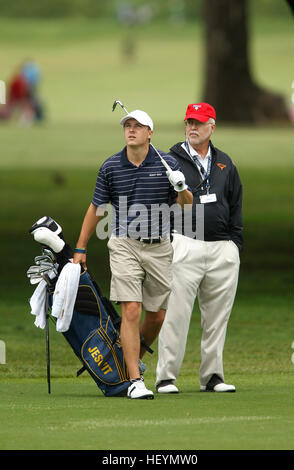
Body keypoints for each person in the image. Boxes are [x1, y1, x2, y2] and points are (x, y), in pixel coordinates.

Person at [73, 109, 193, 399]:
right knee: (131, 309)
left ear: (150, 133)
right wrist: (80, 246)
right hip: (124, 243)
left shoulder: (169, 163)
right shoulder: (111, 166)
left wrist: (181, 186)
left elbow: (187, 205)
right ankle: (134, 379)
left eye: (138, 126)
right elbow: (96, 208)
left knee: (157, 315)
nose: (131, 130)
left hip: (160, 246)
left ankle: (129, 356)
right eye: (128, 125)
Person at [156, 102, 243, 394]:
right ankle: (166, 377)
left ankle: (213, 376)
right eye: (189, 122)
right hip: (184, 244)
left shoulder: (224, 162)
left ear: (211, 127)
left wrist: (235, 245)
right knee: (176, 315)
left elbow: (236, 204)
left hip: (222, 249)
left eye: (199, 122)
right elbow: (159, 203)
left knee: (217, 318)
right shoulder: (170, 160)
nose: (192, 127)